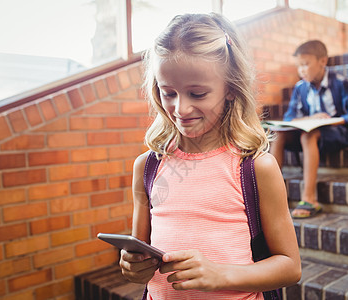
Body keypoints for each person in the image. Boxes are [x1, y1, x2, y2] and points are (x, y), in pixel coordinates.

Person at [119, 13, 301, 299]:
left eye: (198, 94)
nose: (181, 108)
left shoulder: (254, 168)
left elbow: (290, 267)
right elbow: (140, 250)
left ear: (230, 88)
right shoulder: (147, 167)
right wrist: (133, 267)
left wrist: (220, 273)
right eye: (168, 93)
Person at [269, 40, 348, 219]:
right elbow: (289, 117)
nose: (301, 70)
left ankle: (310, 199)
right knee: (279, 134)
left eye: (305, 64)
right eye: (298, 66)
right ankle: (272, 198)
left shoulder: (341, 83)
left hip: (337, 133)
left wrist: (331, 121)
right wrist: (310, 119)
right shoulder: (300, 87)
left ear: (323, 61)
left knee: (308, 136)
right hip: (310, 131)